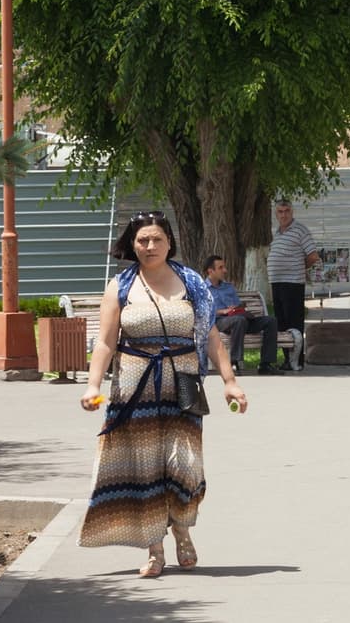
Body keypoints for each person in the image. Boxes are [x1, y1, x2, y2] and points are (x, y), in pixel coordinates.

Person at [79, 211, 247, 578]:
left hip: (182, 383)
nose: (149, 246)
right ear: (132, 244)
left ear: (169, 242)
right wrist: (93, 385)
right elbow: (106, 343)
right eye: (142, 240)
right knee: (145, 470)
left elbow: (212, 337)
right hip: (133, 387)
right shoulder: (120, 286)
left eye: (156, 239)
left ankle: (182, 530)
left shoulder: (192, 283)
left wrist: (229, 381)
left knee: (183, 465)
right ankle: (155, 549)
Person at [205, 254, 278, 376]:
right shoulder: (203, 288)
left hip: (238, 320)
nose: (225, 270)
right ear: (210, 271)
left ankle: (266, 364)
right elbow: (202, 311)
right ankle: (234, 362)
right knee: (239, 320)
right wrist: (222, 311)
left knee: (270, 321)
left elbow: (237, 305)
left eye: (224, 267)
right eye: (221, 268)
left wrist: (238, 308)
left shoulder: (228, 287)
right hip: (219, 322)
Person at [268, 199, 317, 371]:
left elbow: (313, 256)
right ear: (276, 214)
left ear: (292, 212)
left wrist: (297, 267)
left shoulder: (300, 230)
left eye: (287, 211)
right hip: (277, 282)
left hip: (293, 283)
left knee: (293, 322)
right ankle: (287, 358)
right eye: (280, 211)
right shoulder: (277, 232)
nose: (284, 215)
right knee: (281, 323)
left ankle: (297, 360)